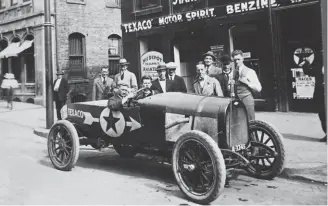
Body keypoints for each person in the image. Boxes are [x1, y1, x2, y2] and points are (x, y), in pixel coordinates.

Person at [232, 50, 262, 121]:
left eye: (238, 59)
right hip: (237, 100)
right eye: (235, 60)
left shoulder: (250, 71)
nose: (236, 62)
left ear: (243, 58)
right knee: (239, 121)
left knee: (250, 121)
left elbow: (258, 88)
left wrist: (247, 83)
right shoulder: (233, 73)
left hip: (247, 99)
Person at [301, 58, 326, 142]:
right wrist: (306, 63)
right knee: (322, 114)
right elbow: (308, 71)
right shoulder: (319, 66)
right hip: (321, 94)